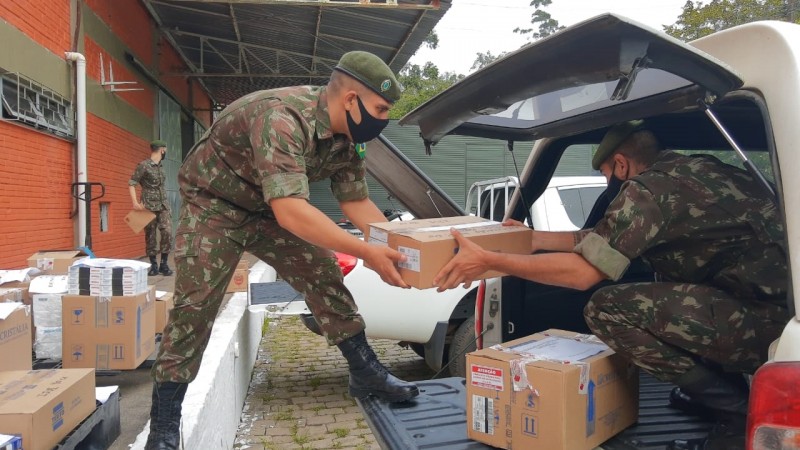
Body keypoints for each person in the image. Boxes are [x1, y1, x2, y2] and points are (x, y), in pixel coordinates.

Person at [434, 120, 789, 446]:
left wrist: (489, 261)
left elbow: (583, 274)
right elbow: (602, 239)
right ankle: (717, 394)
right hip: (779, 317)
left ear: (621, 164)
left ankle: (735, 410)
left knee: (606, 309)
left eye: (606, 175)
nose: (609, 184)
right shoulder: (693, 170)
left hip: (770, 332)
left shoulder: (647, 191)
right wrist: (533, 239)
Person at [144, 51, 418, 450]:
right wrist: (365, 253)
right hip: (215, 204)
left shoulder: (349, 139)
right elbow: (292, 212)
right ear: (351, 100)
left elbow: (356, 202)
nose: (384, 119)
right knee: (195, 305)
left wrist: (395, 247)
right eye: (380, 108)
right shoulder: (282, 117)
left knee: (323, 271)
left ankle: (365, 371)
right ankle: (164, 425)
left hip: (268, 207)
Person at [129, 140, 174, 276]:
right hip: (147, 205)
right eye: (165, 150)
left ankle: (164, 264)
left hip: (163, 205)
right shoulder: (143, 166)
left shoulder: (161, 166)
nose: (165, 152)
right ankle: (154, 265)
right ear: (162, 150)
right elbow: (132, 183)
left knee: (167, 232)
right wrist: (135, 202)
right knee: (150, 235)